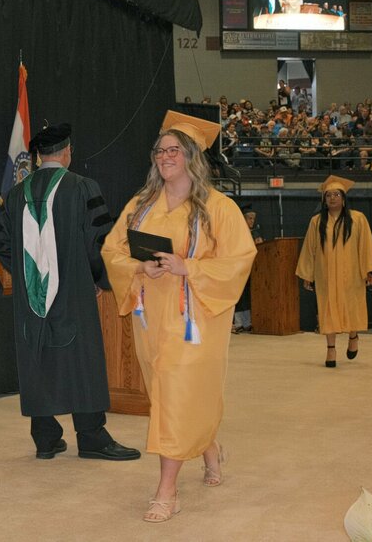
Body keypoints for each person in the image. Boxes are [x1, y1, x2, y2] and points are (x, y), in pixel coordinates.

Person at [102, 111, 256, 523]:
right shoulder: (140, 205)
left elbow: (241, 259)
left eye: (174, 150)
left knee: (175, 396)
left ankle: (167, 491)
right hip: (152, 318)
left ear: (191, 156)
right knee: (170, 397)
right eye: (159, 151)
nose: (165, 157)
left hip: (197, 322)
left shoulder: (218, 208)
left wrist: (191, 267)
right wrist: (140, 268)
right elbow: (112, 250)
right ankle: (210, 446)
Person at [0, 123, 141, 462]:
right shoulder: (82, 188)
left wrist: (28, 277)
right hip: (73, 294)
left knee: (37, 358)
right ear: (67, 152)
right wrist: (97, 281)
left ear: (39, 156)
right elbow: (99, 243)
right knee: (82, 360)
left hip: (30, 301)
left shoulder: (16, 195)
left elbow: (1, 245)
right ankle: (91, 438)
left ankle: (45, 438)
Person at [295, 176, 372, 368]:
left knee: (350, 307)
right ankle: (331, 349)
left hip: (351, 273)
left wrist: (370, 270)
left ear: (344, 198)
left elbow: (366, 245)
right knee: (327, 310)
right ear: (324, 200)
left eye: (336, 194)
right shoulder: (316, 222)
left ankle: (353, 336)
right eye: (328, 195)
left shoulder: (358, 219)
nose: (332, 198)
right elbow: (310, 250)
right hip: (325, 275)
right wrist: (307, 275)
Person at [232, 204, 264, 333]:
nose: (252, 221)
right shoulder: (237, 233)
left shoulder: (255, 233)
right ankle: (239, 322)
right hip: (239, 268)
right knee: (240, 296)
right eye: (249, 218)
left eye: (253, 218)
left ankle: (248, 323)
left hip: (253, 270)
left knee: (249, 295)